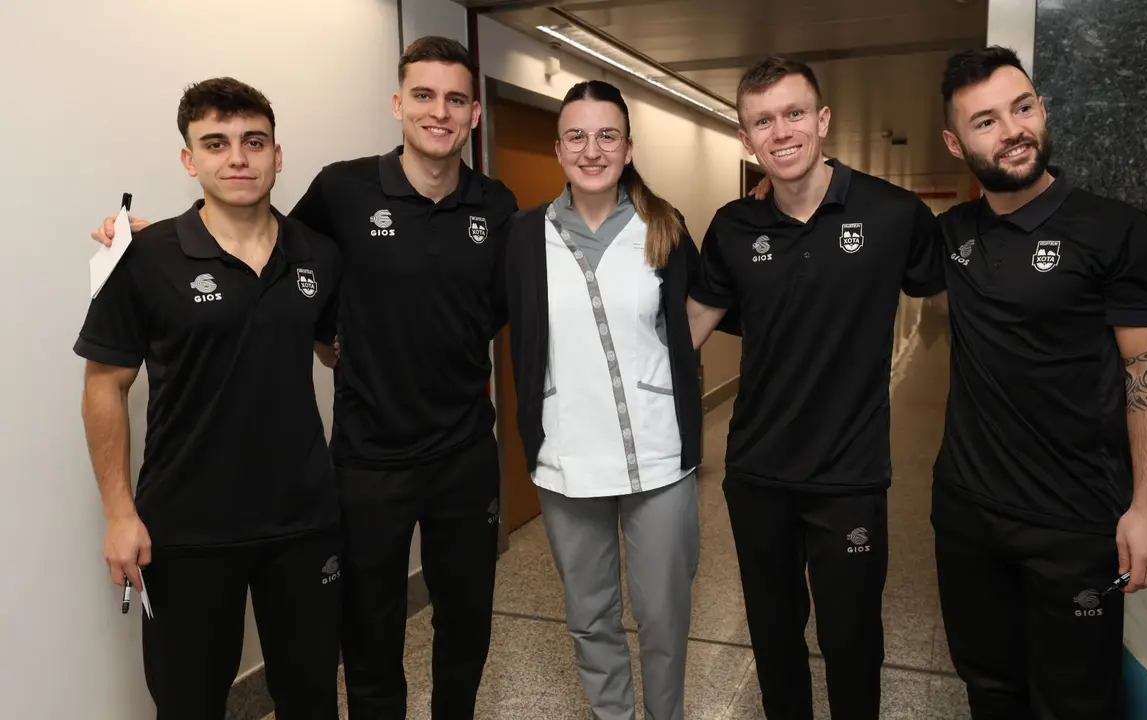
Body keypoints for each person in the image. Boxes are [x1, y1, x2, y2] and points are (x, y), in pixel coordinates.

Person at [91, 36, 518, 720]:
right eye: (423, 95)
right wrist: (149, 249)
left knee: (448, 633)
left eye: (456, 98)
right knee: (366, 639)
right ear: (397, 104)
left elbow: (343, 307)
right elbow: (257, 244)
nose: (439, 111)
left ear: (473, 114)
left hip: (445, 461)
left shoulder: (495, 207)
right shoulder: (342, 193)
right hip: (358, 465)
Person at [686, 56, 946, 720]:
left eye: (793, 113)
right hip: (757, 474)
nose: (780, 132)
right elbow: (685, 327)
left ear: (823, 120)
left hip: (849, 477)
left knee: (852, 640)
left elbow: (960, 305)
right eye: (761, 121)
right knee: (773, 639)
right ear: (746, 139)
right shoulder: (732, 229)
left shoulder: (891, 214)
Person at [76, 77, 343, 720]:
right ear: (189, 159)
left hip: (302, 522)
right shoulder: (143, 257)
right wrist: (119, 513)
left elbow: (334, 350)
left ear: (279, 155)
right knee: (189, 701)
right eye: (216, 143)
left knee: (310, 695)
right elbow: (105, 386)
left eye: (255, 142)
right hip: (186, 527)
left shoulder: (320, 254)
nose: (238, 158)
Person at [929, 46, 1147, 719]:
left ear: (1043, 110)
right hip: (967, 517)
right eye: (984, 121)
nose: (1011, 129)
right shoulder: (950, 234)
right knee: (989, 691)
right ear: (955, 143)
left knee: (1074, 704)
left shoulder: (1113, 229)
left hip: (1074, 526)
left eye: (1022, 106)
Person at [504, 80, 705, 720]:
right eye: (578, 136)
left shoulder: (663, 227)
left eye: (607, 136)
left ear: (628, 147)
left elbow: (706, 313)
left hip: (659, 454)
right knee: (590, 616)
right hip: (566, 456)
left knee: (664, 616)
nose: (592, 150)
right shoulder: (521, 236)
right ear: (559, 147)